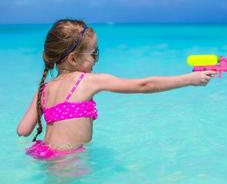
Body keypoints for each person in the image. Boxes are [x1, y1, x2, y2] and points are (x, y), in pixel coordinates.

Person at [16, 19, 215, 160]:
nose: (96, 59)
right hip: (67, 158)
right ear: (74, 58)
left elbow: (23, 130)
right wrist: (189, 79)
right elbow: (144, 85)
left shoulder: (44, 88)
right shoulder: (87, 81)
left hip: (43, 153)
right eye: (94, 53)